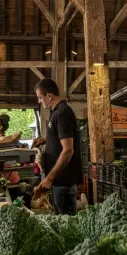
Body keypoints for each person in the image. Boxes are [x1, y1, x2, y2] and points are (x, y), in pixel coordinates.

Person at [33, 78, 82, 216]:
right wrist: (45, 140)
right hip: (58, 181)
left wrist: (49, 178)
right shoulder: (56, 112)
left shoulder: (62, 114)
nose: (39, 102)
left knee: (67, 224)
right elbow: (60, 138)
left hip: (63, 181)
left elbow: (68, 150)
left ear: (49, 96)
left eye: (40, 98)